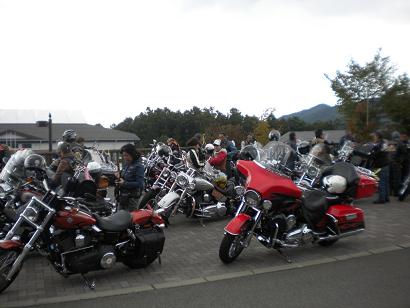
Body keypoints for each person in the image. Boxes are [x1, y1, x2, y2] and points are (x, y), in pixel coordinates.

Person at [115, 144, 144, 211]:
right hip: (122, 197)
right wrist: (119, 178)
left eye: (126, 155)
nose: (125, 158)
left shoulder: (139, 166)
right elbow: (123, 177)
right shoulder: (127, 164)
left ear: (133, 154)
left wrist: (124, 183)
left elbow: (140, 184)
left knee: (129, 219)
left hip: (131, 199)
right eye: (123, 155)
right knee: (118, 218)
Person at [371, 131, 391, 204]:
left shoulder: (379, 145)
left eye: (375, 136)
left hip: (380, 166)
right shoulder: (384, 143)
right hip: (386, 165)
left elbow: (376, 154)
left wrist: (372, 152)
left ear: (378, 136)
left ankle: (381, 199)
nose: (374, 137)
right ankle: (386, 198)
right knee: (386, 182)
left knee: (381, 182)